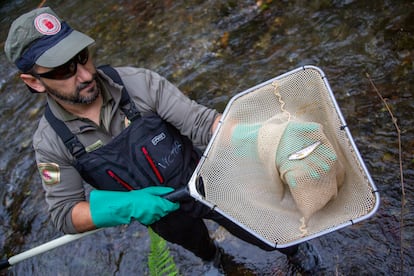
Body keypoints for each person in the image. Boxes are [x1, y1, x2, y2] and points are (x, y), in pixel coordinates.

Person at [4, 6, 320, 274]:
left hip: (207, 182)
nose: (85, 74)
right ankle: (220, 262)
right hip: (162, 217)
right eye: (63, 70)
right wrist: (128, 206)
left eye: (82, 57)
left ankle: (301, 256)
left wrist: (264, 139)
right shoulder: (51, 143)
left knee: (267, 231)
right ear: (34, 82)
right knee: (200, 248)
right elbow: (66, 214)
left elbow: (202, 123)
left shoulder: (138, 84)